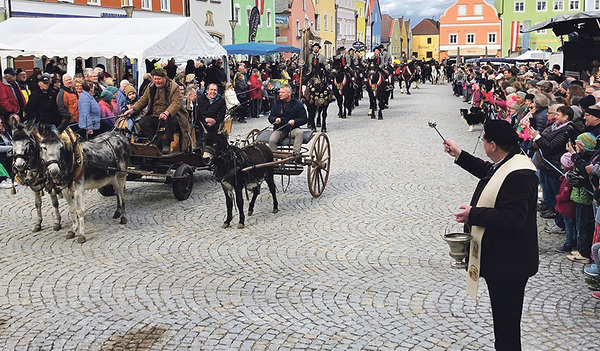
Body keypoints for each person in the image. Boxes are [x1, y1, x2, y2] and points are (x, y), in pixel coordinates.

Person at [443, 120, 538, 351]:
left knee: (506, 325)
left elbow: (512, 219)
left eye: (483, 139)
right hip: (504, 260)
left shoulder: (520, 173)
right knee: (503, 322)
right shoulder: (509, 160)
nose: (482, 143)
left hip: (510, 263)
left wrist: (474, 214)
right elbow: (489, 172)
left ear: (493, 145)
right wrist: (460, 154)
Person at [125, 68, 191, 153]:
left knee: (171, 121)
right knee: (142, 122)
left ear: (165, 78)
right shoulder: (150, 86)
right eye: (155, 79)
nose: (157, 81)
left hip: (171, 115)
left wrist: (167, 112)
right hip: (155, 116)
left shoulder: (174, 87)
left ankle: (166, 144)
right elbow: (143, 100)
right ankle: (157, 143)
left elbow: (176, 103)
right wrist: (132, 109)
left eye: (159, 79)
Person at [268, 84, 307, 155]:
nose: (280, 94)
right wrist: (275, 119)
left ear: (289, 93)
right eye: (280, 92)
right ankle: (274, 159)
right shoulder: (277, 103)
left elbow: (304, 119)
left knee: (299, 133)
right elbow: (270, 117)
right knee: (272, 140)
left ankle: (296, 154)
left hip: (292, 129)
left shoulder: (297, 104)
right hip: (280, 128)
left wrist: (295, 121)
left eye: (282, 93)